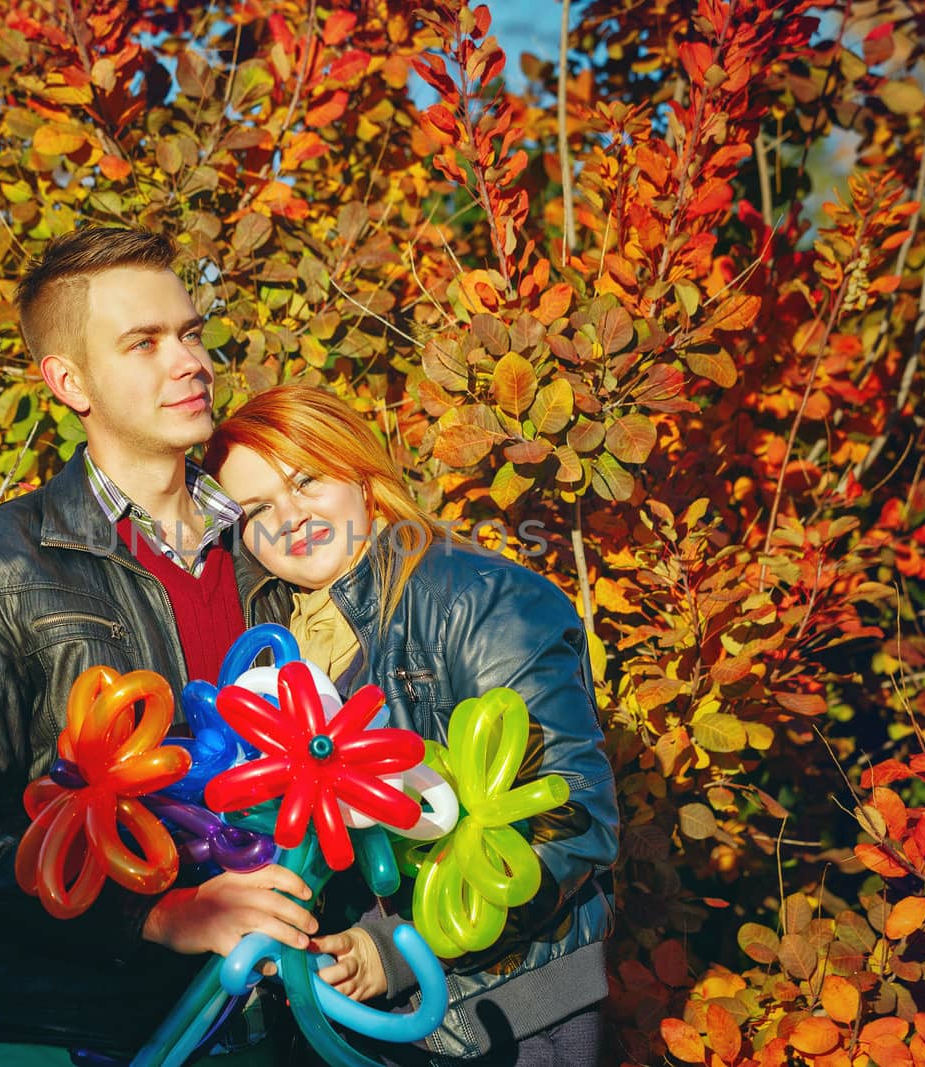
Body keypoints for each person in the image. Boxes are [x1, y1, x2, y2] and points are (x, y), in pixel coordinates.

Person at [0, 228, 315, 1067]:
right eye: (145, 342)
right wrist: (155, 916)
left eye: (193, 332)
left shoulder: (275, 549)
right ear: (69, 381)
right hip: (70, 1031)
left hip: (273, 1022)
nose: (191, 361)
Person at [204, 385, 619, 1066]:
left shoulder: (485, 599)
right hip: (348, 1026)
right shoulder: (270, 645)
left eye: (306, 479)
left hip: (505, 1019)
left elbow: (571, 821)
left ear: (361, 471)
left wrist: (399, 948)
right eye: (256, 509)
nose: (289, 517)